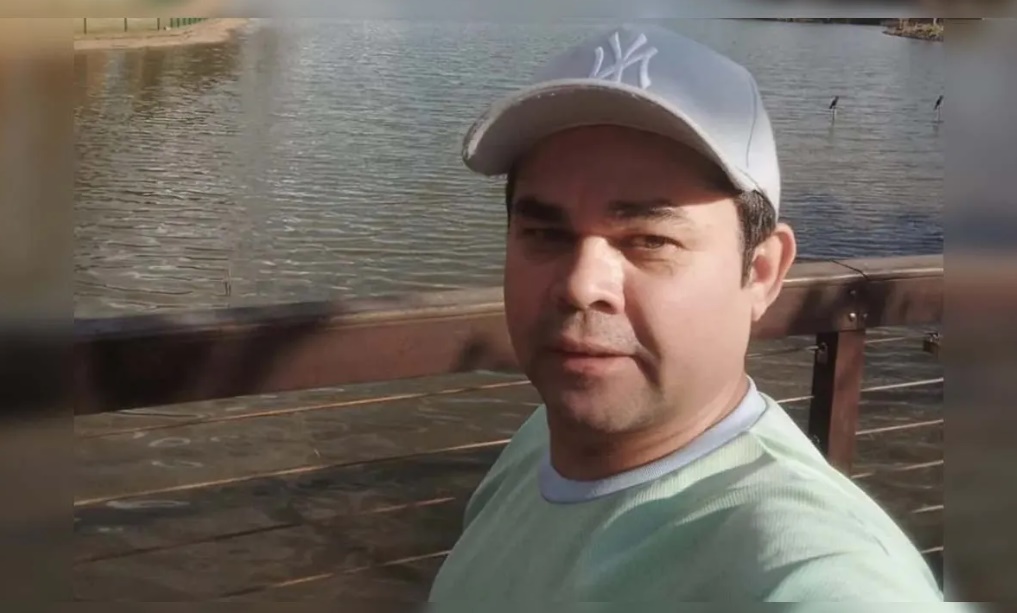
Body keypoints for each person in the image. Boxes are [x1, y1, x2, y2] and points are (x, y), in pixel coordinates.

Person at [427, 23, 943, 602]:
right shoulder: (542, 441)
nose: (581, 285)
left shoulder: (810, 566)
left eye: (650, 240)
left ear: (762, 272)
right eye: (545, 234)